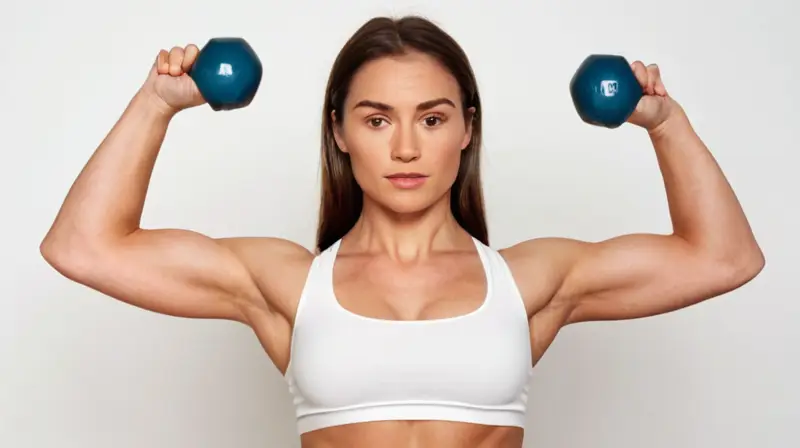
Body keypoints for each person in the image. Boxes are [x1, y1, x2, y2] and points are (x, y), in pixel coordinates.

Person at [40, 15, 764, 448]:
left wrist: (665, 123)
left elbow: (724, 258)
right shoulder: (288, 284)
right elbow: (83, 247)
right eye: (378, 119)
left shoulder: (530, 283)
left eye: (433, 117)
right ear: (341, 132)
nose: (408, 149)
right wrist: (156, 102)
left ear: (467, 131)